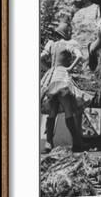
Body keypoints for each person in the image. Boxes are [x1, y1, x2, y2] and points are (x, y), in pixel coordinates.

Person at [40, 22, 93, 153]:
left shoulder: (52, 44)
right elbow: (80, 56)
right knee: (69, 111)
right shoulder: (69, 44)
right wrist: (69, 68)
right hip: (62, 79)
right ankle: (77, 143)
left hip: (51, 79)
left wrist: (49, 69)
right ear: (67, 32)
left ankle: (48, 143)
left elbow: (41, 58)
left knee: (52, 111)